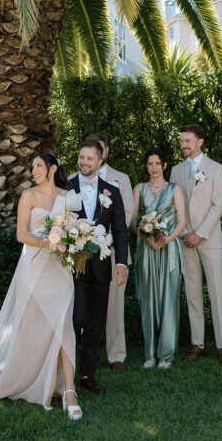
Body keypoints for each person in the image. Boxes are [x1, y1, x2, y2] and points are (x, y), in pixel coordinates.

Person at [0, 153, 82, 420]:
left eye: (38, 166)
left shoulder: (67, 195)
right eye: (32, 166)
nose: (34, 170)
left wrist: (72, 243)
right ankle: (33, 379)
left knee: (64, 327)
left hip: (60, 271)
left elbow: (75, 231)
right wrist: (51, 243)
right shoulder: (29, 196)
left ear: (52, 168)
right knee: (33, 328)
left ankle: (69, 391)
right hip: (33, 269)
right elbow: (21, 234)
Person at [67, 138, 129, 395]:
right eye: (82, 157)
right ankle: (66, 372)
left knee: (95, 321)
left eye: (90, 158)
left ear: (100, 160)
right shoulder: (66, 187)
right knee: (75, 317)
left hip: (102, 267)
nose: (84, 162)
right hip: (73, 265)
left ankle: (87, 375)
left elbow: (121, 230)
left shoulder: (112, 191)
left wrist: (122, 263)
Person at [170, 124, 222, 364]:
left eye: (188, 141)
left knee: (217, 291)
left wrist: (200, 234)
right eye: (182, 141)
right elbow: (174, 205)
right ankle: (198, 344)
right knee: (192, 292)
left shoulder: (216, 169)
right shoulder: (175, 171)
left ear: (200, 142)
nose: (184, 145)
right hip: (186, 240)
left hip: (209, 239)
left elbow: (219, 204)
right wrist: (185, 232)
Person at [132, 147, 185, 369]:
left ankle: (166, 354)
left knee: (168, 299)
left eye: (157, 163)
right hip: (146, 250)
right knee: (148, 299)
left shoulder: (175, 190)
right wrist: (144, 235)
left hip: (169, 250)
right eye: (149, 163)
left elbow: (182, 221)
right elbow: (134, 221)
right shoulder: (139, 189)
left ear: (164, 166)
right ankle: (150, 354)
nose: (153, 167)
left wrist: (166, 239)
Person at [88, 133, 134, 373]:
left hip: (114, 249)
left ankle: (116, 355)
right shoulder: (75, 179)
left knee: (115, 305)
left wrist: (105, 237)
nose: (98, 152)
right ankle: (84, 353)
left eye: (101, 148)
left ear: (105, 152)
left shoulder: (121, 179)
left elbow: (126, 213)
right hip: (83, 252)